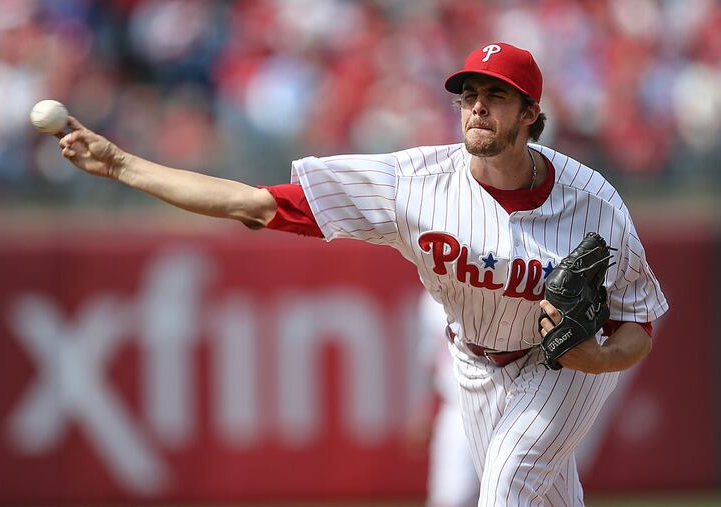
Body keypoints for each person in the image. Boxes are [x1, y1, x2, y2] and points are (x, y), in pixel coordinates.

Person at [55, 42, 668, 506]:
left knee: (509, 487)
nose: (477, 107)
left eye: (496, 96)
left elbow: (639, 321)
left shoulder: (594, 201)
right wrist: (121, 165)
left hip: (560, 365)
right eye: (468, 94)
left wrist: (601, 357)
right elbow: (254, 204)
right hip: (475, 365)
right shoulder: (415, 185)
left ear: (531, 113)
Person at [406, 290, 479, 507]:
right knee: (451, 498)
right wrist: (424, 409)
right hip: (457, 410)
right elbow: (432, 359)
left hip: (510, 403)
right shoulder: (429, 299)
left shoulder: (491, 278)